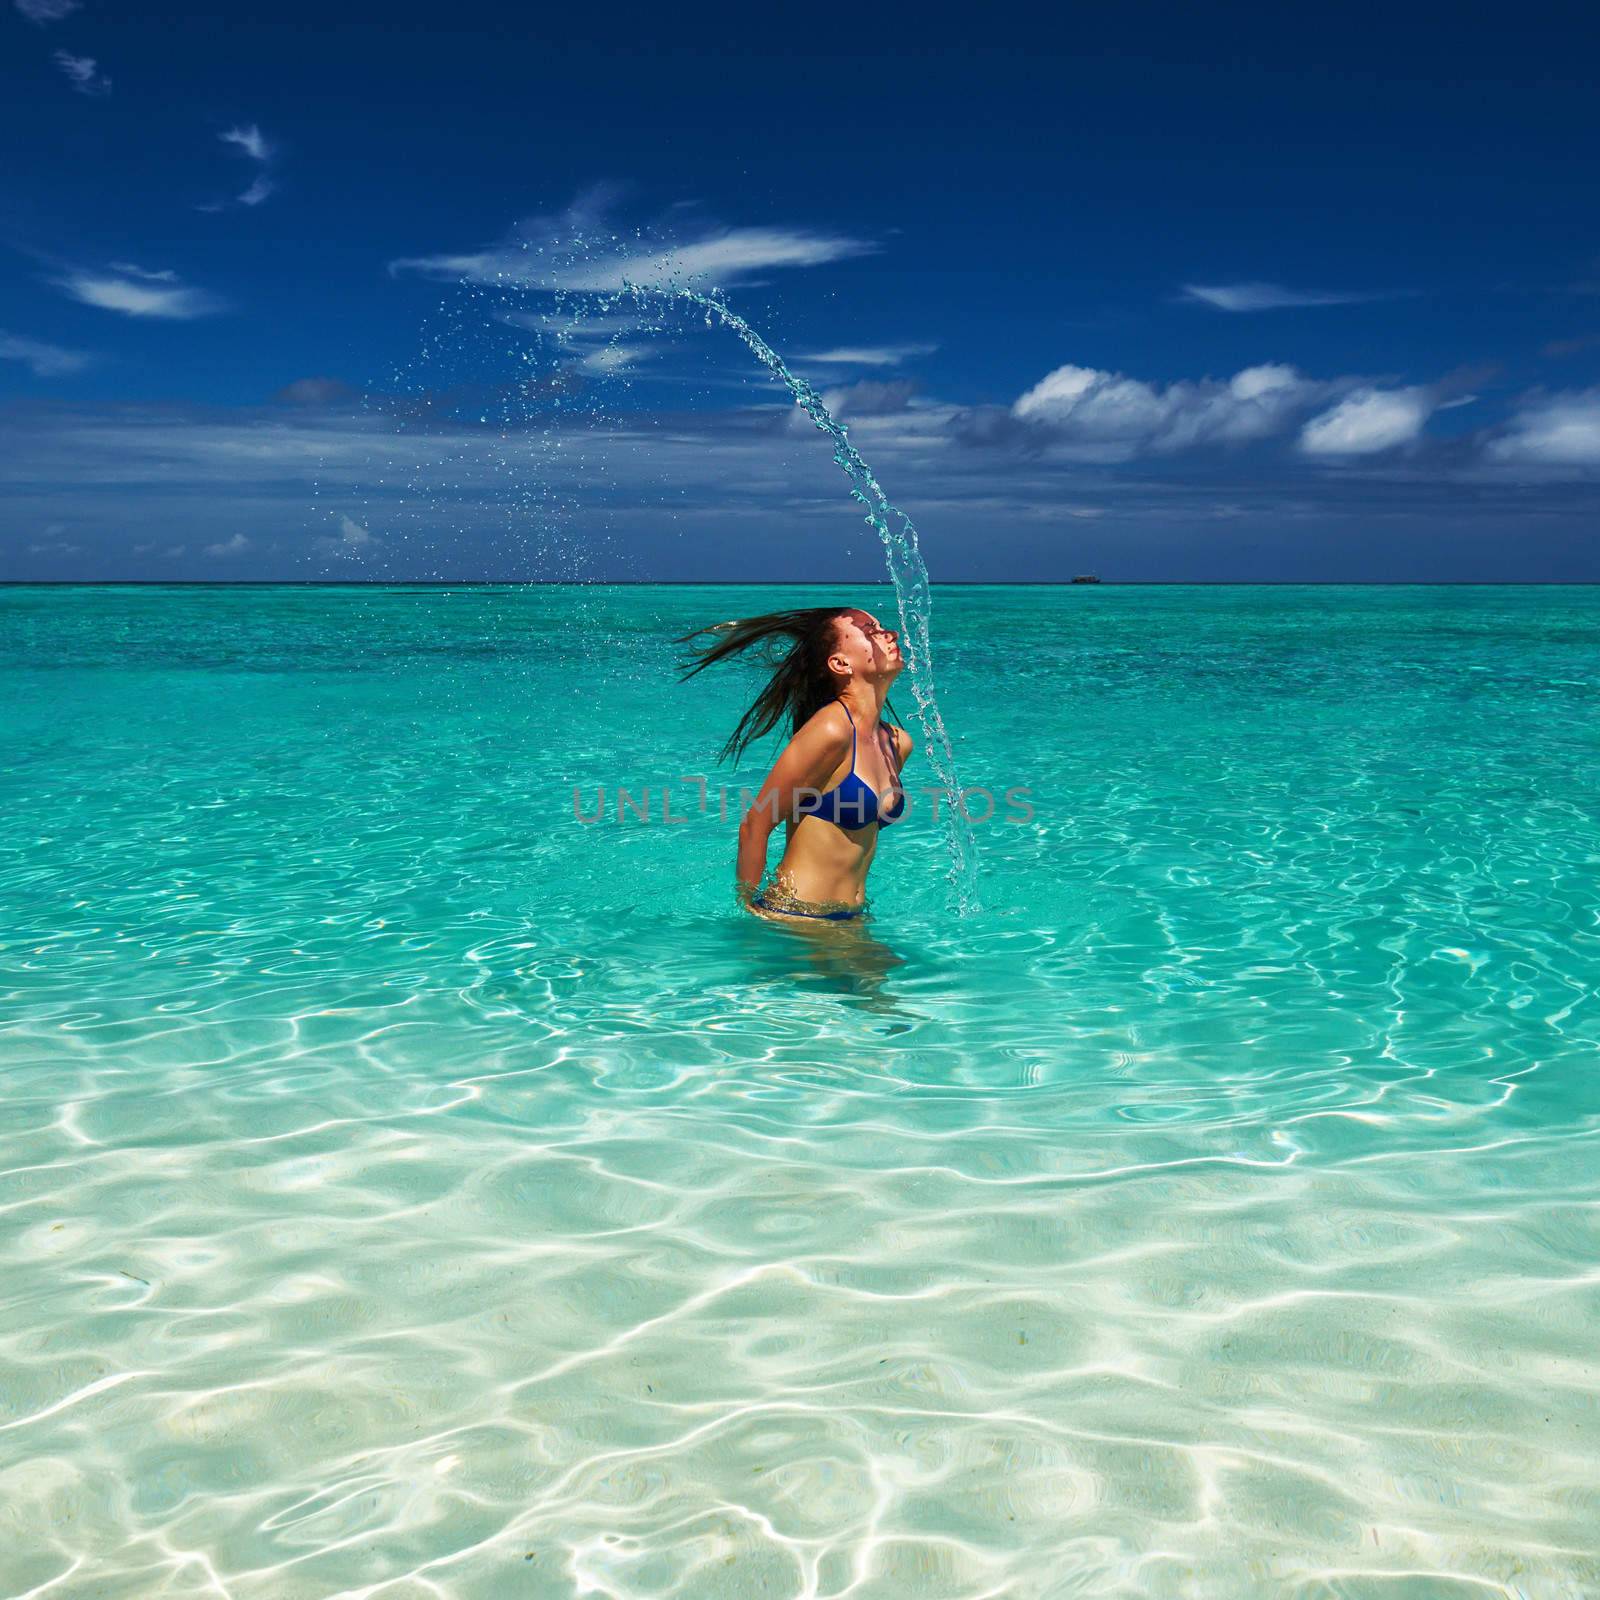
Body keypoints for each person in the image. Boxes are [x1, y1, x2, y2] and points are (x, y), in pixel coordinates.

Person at [676, 605, 914, 922]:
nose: (890, 633)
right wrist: (747, 909)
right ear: (840, 664)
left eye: (881, 626)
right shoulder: (830, 731)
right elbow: (755, 826)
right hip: (796, 918)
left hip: (851, 919)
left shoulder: (896, 743)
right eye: (870, 631)